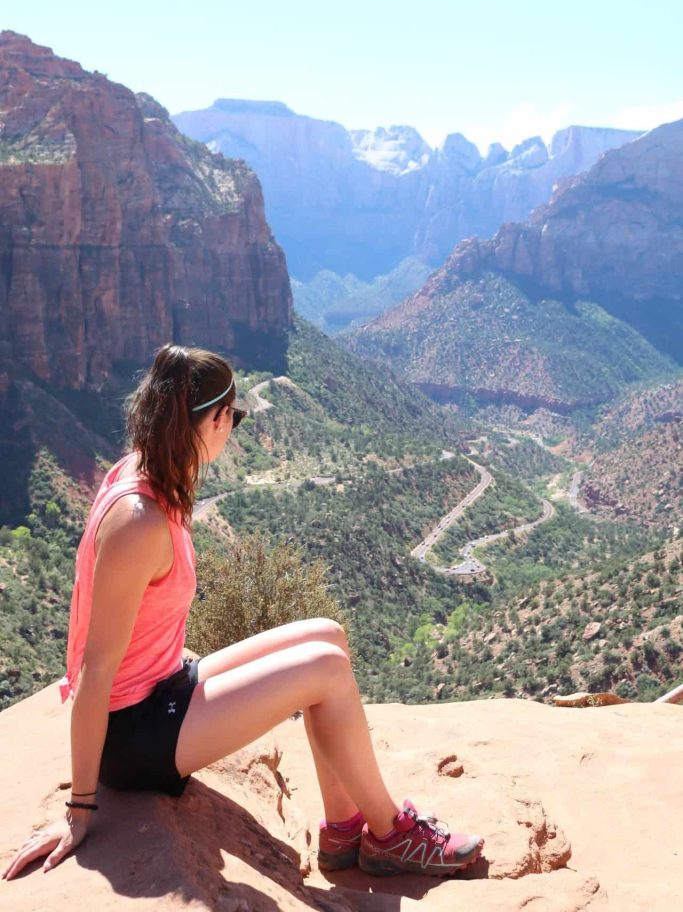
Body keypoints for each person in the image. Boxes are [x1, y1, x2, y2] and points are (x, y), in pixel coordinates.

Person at [2, 344, 484, 882]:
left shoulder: (144, 471)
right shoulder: (138, 521)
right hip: (132, 736)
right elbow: (94, 672)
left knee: (330, 637)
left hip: (161, 689)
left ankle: (345, 831)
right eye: (231, 414)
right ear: (210, 420)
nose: (234, 426)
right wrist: (80, 811)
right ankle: (391, 836)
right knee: (325, 671)